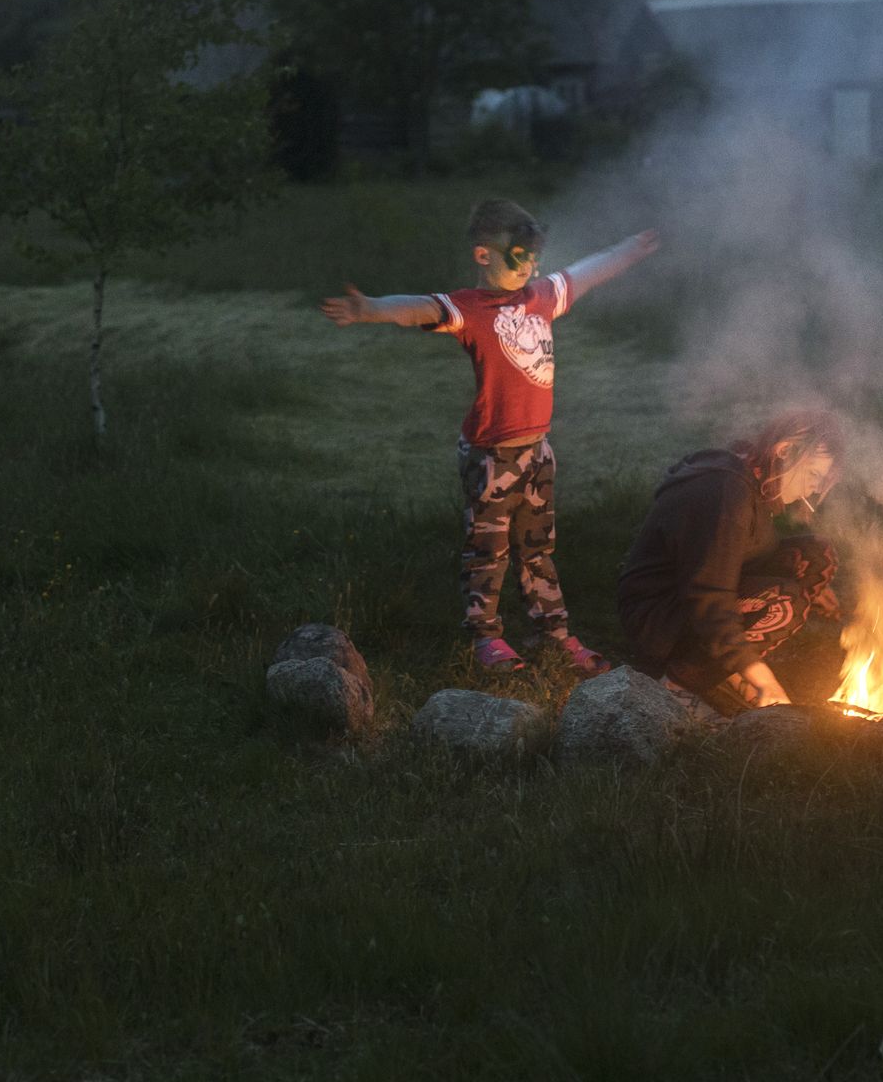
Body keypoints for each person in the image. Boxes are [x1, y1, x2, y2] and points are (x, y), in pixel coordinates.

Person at [320, 200, 659, 675]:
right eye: (518, 256)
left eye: (534, 257)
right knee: (489, 549)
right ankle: (486, 639)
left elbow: (586, 272)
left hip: (537, 450)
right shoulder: (469, 309)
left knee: (537, 548)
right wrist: (370, 308)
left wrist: (628, 250)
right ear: (484, 256)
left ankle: (555, 635)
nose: (530, 267)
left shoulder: (540, 297)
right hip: (491, 455)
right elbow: (418, 308)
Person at [614, 410, 844, 715]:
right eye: (814, 475)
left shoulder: (752, 472)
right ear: (785, 451)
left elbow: (742, 552)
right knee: (784, 604)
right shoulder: (727, 492)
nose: (815, 489)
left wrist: (805, 578)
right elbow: (708, 594)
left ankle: (722, 664)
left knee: (814, 556)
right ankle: (677, 686)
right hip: (657, 617)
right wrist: (763, 679)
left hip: (685, 600)